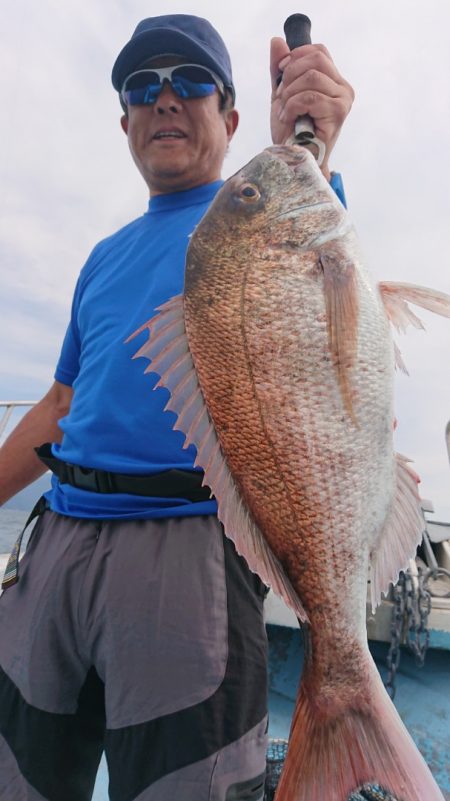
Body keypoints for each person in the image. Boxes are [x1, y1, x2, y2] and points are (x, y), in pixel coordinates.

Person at [0, 14, 355, 801]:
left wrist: (311, 143)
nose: (165, 98)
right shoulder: (103, 256)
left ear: (231, 120)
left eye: (191, 82)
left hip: (186, 549)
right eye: (142, 87)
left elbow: (311, 255)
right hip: (56, 542)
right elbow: (61, 399)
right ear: (124, 120)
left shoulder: (256, 221)